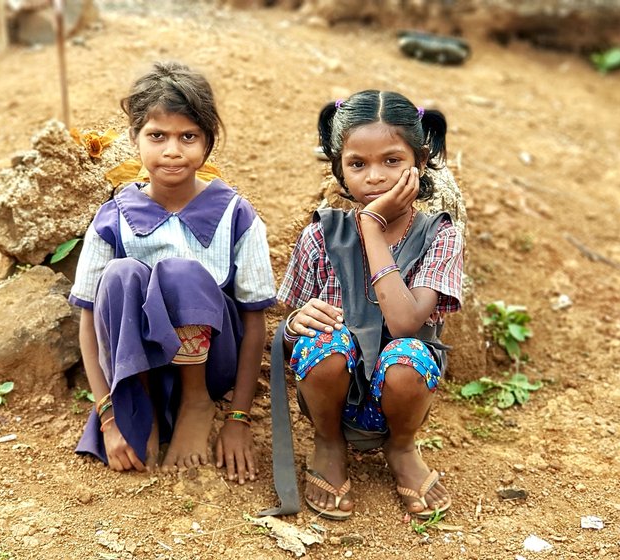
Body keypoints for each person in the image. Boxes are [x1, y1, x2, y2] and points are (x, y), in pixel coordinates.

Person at [70, 61, 276, 484]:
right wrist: (108, 417)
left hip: (210, 364)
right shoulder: (113, 218)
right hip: (136, 367)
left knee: (179, 272)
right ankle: (139, 404)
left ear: (207, 144)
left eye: (188, 136)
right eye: (157, 136)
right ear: (134, 139)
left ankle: (195, 403)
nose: (172, 151)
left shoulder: (235, 215)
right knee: (122, 273)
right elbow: (90, 321)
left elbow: (255, 321)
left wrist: (238, 417)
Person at [277, 90, 463, 519]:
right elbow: (291, 344)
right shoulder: (320, 235)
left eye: (392, 160)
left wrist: (372, 229)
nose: (375, 177)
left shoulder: (440, 235)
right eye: (357, 164)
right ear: (340, 168)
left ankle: (401, 449)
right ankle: (328, 444)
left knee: (407, 356)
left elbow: (403, 324)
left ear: (420, 160)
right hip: (331, 399)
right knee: (321, 339)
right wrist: (293, 326)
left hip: (400, 394)